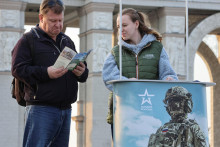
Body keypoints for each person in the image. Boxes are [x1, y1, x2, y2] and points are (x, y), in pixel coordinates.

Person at [11, 0, 89, 146]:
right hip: (41, 110)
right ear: (41, 18)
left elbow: (82, 75)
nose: (58, 25)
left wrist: (82, 72)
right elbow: (17, 69)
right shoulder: (28, 40)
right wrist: (47, 73)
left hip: (65, 110)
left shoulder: (67, 41)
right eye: (53, 21)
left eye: (61, 20)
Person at [102, 8, 178, 138]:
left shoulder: (157, 48)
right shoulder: (115, 52)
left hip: (152, 113)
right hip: (122, 113)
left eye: (124, 25)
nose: (121, 30)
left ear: (136, 24)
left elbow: (168, 73)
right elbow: (108, 77)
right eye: (119, 27)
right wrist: (128, 83)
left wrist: (169, 79)